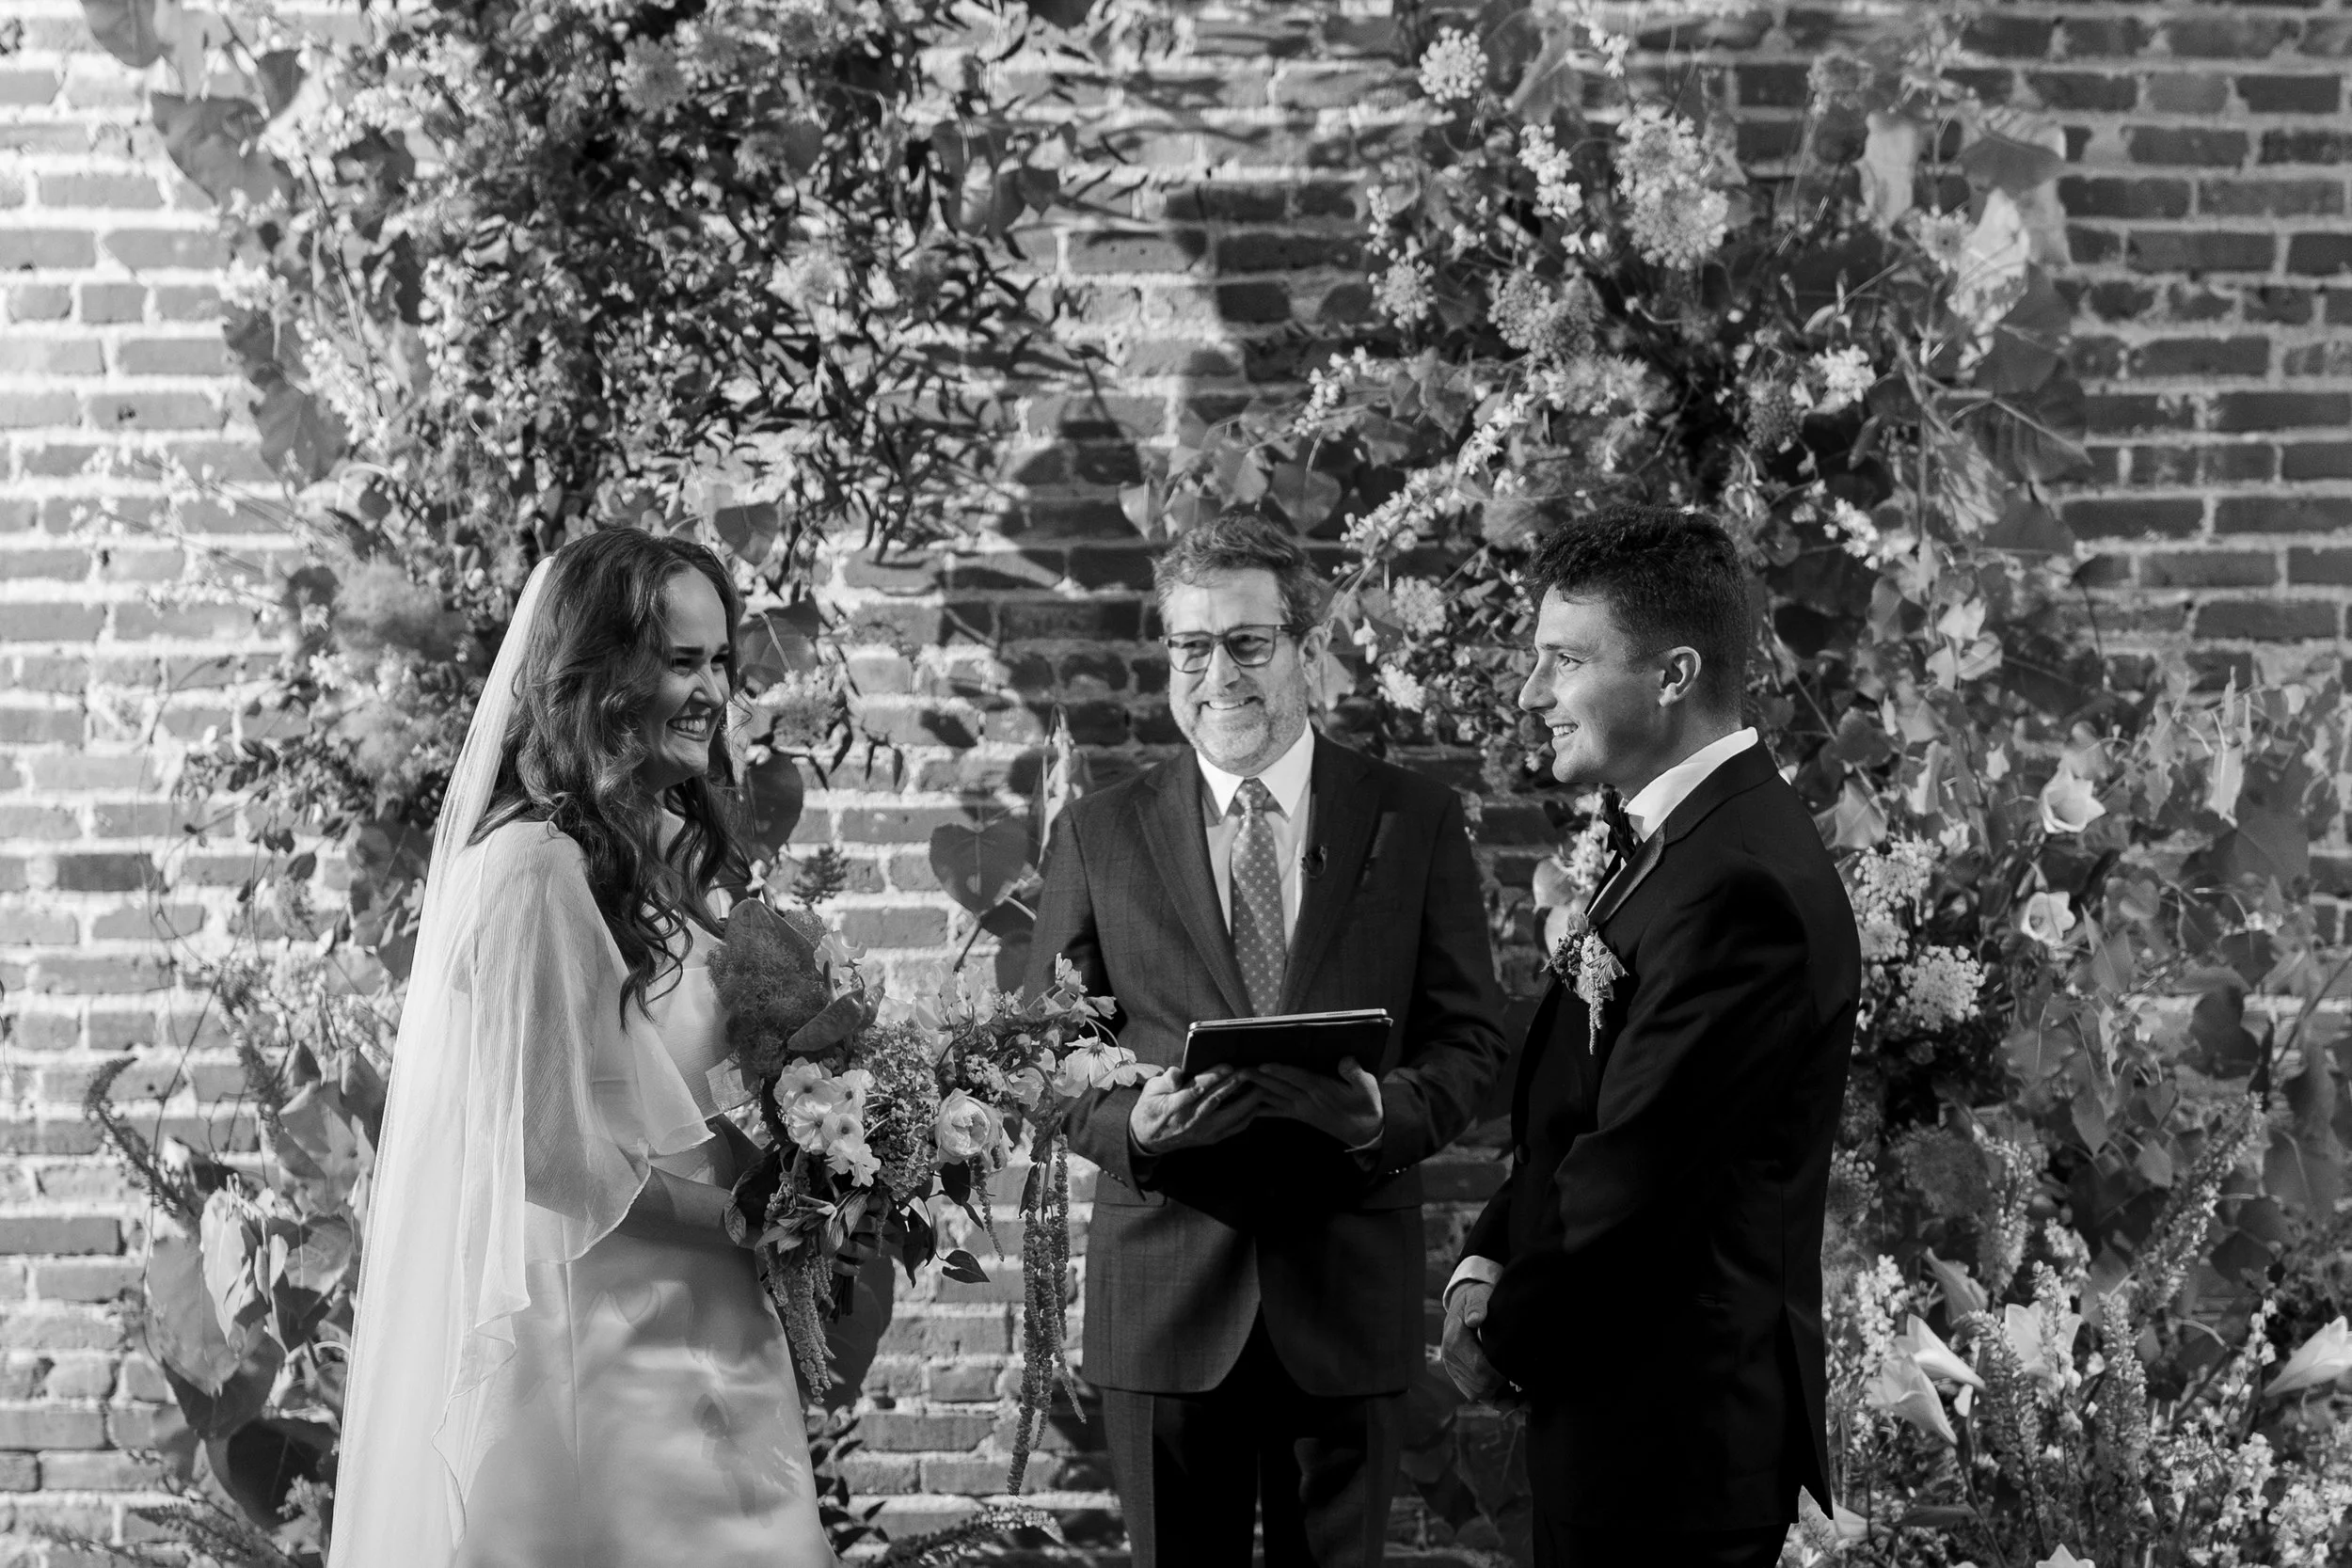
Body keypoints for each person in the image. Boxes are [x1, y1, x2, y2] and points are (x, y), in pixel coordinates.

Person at [330, 530, 833, 1568]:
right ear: (603, 675)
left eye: (720, 663)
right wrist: (755, 1212)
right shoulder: (532, 868)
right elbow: (552, 1152)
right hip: (611, 1363)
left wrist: (830, 1141)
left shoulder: (662, 858)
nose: (711, 692)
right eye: (680, 662)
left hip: (708, 1328)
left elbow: (682, 1098)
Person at [1027, 515, 1508, 1568]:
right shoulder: (1098, 833)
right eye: (1191, 647)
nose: (1217, 673)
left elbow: (1472, 1041)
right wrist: (1129, 1122)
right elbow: (1043, 1053)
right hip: (1161, 1290)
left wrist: (1389, 1113)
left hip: (1344, 1287)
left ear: (1307, 646)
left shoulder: (1413, 818)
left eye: (1247, 642)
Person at [1439, 503, 1861, 1568]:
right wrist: (1483, 1257)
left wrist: (1503, 1331)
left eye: (1563, 661)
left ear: (1672, 675)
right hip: (1626, 1427)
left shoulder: (1739, 885)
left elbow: (1639, 1173)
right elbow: (1581, 1107)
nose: (1532, 694)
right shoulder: (1676, 839)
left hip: (1674, 1451)